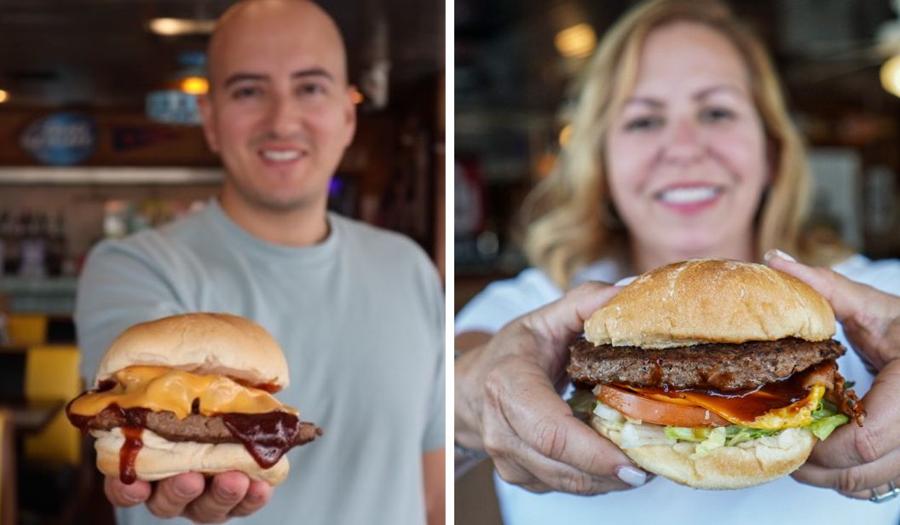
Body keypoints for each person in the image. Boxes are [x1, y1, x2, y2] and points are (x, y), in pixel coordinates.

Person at [455, 0, 900, 523]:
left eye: (716, 112)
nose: (684, 148)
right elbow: (429, 402)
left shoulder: (879, 300)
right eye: (644, 120)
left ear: (771, 149)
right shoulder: (535, 306)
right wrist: (473, 396)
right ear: (601, 161)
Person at [75, 1, 444, 524]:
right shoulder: (131, 267)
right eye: (249, 91)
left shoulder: (410, 269)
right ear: (210, 120)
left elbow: (432, 488)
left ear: (347, 116)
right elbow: (135, 435)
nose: (282, 120)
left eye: (310, 88)